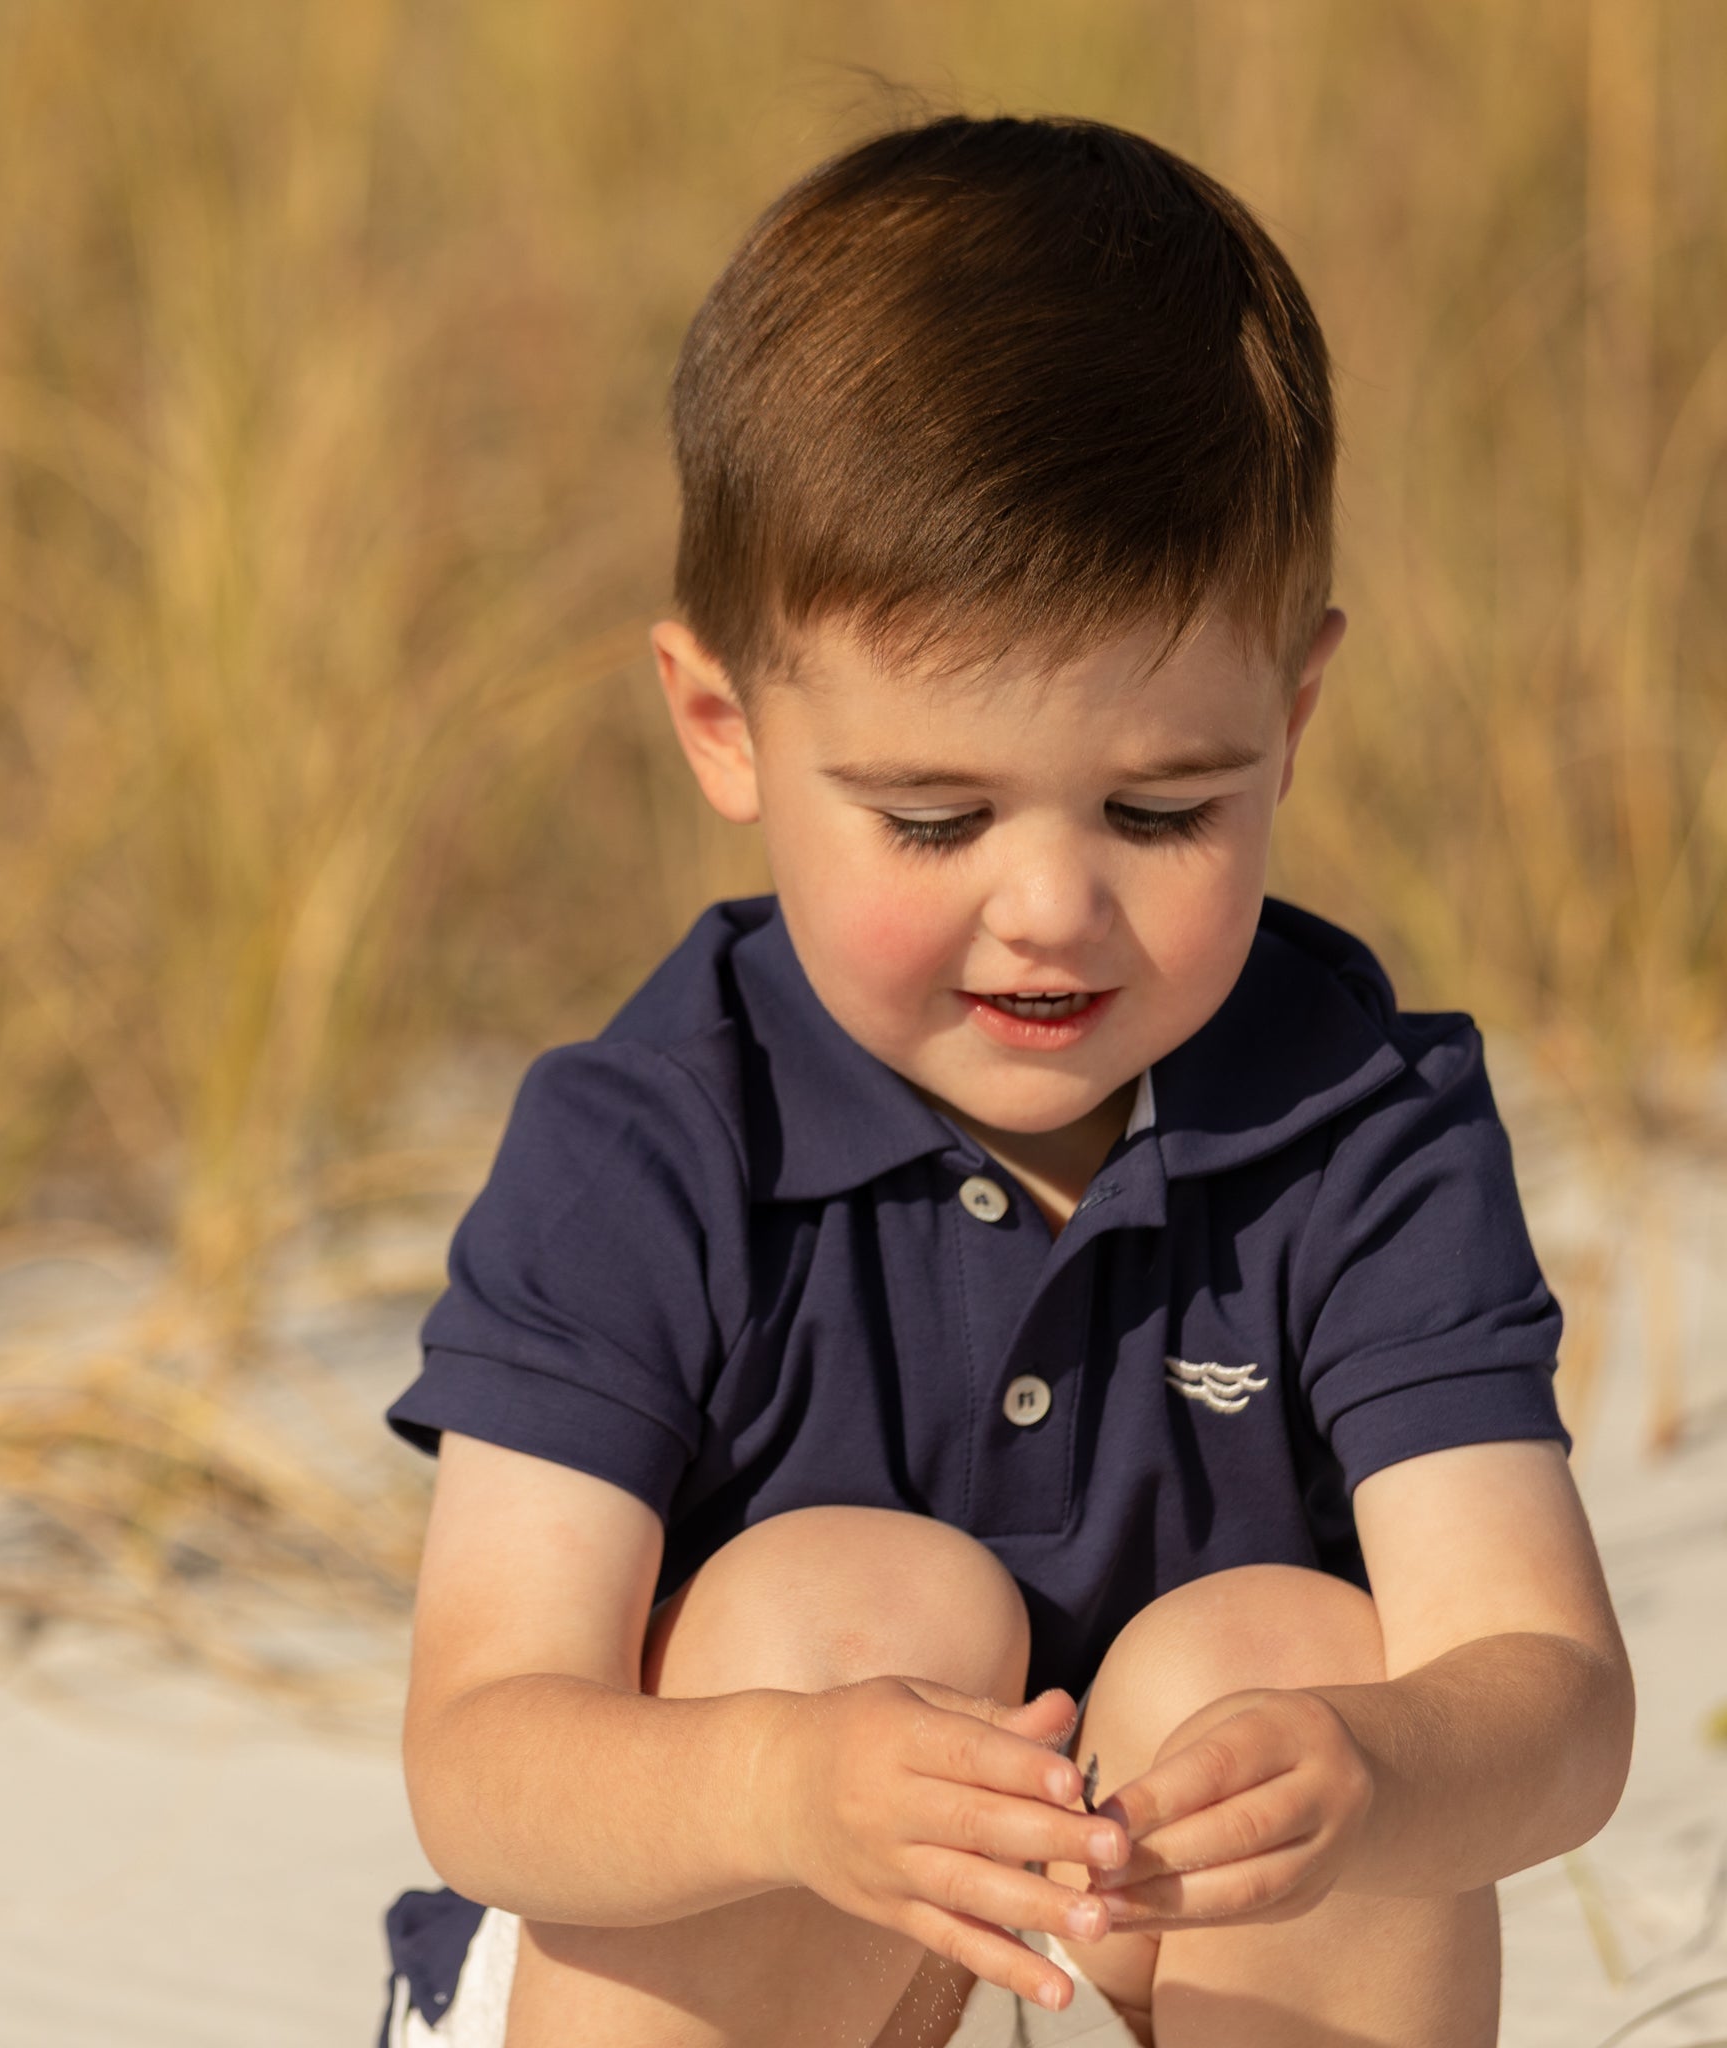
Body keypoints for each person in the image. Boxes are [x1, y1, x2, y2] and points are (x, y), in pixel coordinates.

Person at [373, 114, 1634, 2048]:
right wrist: (778, 1786)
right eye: (934, 815)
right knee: (835, 1609)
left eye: (1162, 805)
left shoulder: (1359, 1130)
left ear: (1291, 717)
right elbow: (480, 1752)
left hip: (1162, 1910)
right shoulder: (646, 1141)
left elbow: (1548, 1692)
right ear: (726, 726)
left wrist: (1376, 1768)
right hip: (733, 1934)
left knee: (1289, 1660)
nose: (1052, 910)